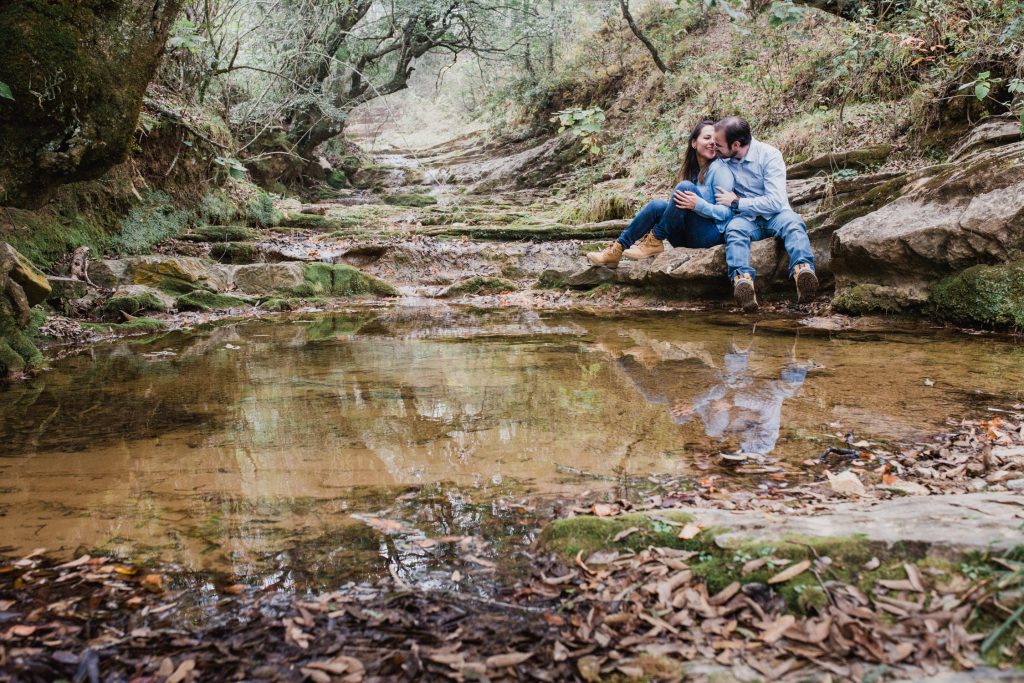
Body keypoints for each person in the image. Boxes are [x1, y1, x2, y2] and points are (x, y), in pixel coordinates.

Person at [587, 119, 736, 268]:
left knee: (684, 187)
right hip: (689, 237)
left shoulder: (720, 170)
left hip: (711, 237)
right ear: (694, 143)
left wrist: (699, 205)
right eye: (707, 138)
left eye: (715, 140)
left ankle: (655, 239)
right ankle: (616, 250)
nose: (712, 143)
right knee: (657, 205)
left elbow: (727, 213)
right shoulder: (694, 172)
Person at [712, 116, 818, 312]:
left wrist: (737, 202)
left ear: (736, 144)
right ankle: (743, 283)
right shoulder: (723, 162)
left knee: (794, 224)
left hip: (776, 215)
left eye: (719, 145)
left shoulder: (769, 155)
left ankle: (803, 272)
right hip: (746, 220)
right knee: (734, 231)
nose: (715, 148)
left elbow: (775, 201)